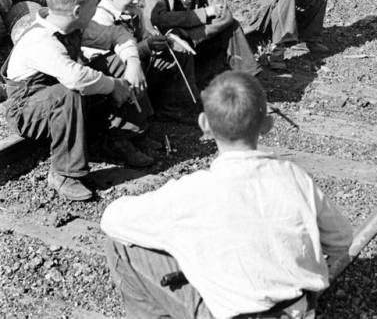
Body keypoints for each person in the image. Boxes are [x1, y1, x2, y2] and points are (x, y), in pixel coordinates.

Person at [102, 71, 352, 319]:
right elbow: (341, 240)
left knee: (120, 246)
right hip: (297, 309)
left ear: (204, 125)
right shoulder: (294, 177)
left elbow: (111, 219)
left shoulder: (193, 191)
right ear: (267, 125)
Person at [1, 0, 131, 202]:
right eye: (94, 7)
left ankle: (110, 138)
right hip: (26, 110)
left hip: (53, 98)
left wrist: (131, 59)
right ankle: (63, 173)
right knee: (70, 92)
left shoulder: (71, 26)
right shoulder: (41, 40)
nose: (97, 11)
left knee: (112, 64)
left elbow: (110, 36)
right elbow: (75, 78)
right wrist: (114, 85)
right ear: (78, 12)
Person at [82, 0, 198, 136]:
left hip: (139, 65)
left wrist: (154, 41)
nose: (136, 2)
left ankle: (173, 107)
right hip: (116, 77)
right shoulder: (100, 19)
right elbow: (110, 61)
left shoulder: (133, 11)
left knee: (179, 52)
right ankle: (127, 132)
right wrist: (145, 47)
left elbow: (142, 38)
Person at [141, 0, 260, 93]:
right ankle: (187, 100)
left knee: (232, 26)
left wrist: (190, 34)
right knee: (177, 40)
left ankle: (250, 83)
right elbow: (158, 19)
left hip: (197, 42)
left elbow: (224, 14)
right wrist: (204, 13)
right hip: (171, 52)